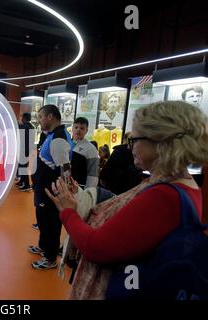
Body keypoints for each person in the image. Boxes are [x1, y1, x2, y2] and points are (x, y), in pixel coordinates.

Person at [45, 100, 208, 299]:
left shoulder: (164, 196)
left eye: (134, 140)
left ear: (160, 142)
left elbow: (96, 248)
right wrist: (80, 195)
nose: (131, 147)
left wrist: (68, 212)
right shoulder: (181, 184)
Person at [29, 104, 72, 270]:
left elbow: (65, 168)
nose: (39, 120)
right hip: (43, 188)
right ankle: (44, 246)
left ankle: (50, 257)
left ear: (50, 117)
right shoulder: (53, 134)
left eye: (41, 117)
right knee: (43, 221)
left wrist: (65, 192)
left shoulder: (58, 138)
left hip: (50, 191)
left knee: (50, 223)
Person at [70, 117, 99, 188]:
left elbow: (93, 174)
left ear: (86, 130)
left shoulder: (91, 149)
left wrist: (88, 192)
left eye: (82, 128)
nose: (78, 130)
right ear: (72, 128)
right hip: (63, 186)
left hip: (79, 187)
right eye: (76, 127)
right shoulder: (66, 144)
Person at [17, 113, 35, 192]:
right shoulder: (32, 127)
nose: (21, 118)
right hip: (28, 150)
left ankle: (27, 184)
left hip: (23, 150)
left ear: (24, 118)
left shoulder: (24, 127)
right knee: (22, 166)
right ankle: (22, 182)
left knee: (22, 166)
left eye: (21, 117)